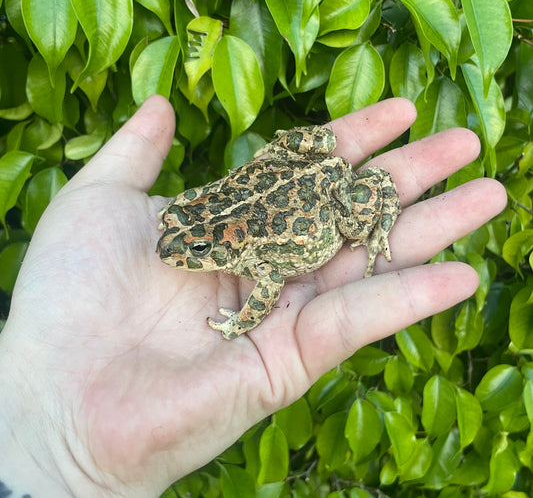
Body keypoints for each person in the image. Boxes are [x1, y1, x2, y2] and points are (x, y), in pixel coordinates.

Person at [0, 95, 507, 497]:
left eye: (193, 248)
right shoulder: (212, 216)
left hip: (325, 200)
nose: (177, 249)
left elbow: (268, 288)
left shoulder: (252, 255)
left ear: (218, 249)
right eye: (179, 229)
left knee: (358, 218)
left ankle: (378, 222)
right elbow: (230, 234)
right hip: (296, 171)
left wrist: (240, 323)